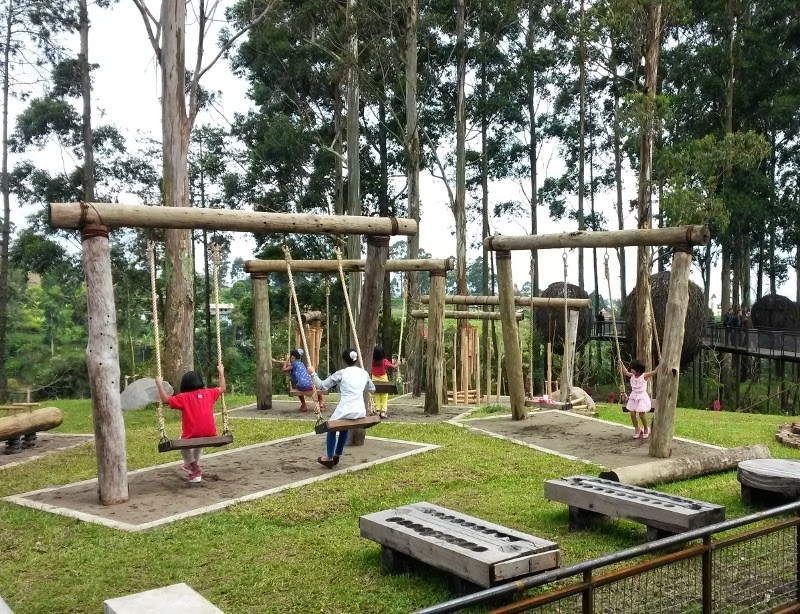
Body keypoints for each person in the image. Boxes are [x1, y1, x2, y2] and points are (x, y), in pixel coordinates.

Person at [156, 366, 225, 483]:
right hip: (210, 434)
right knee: (199, 442)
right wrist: (221, 373)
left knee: (182, 444)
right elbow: (223, 387)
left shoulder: (183, 397)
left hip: (192, 435)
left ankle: (194, 466)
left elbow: (165, 400)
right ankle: (192, 469)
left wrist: (159, 384)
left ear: (184, 385)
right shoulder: (209, 393)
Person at [308, 349, 375, 469]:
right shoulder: (363, 373)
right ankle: (337, 454)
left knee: (331, 428)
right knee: (344, 426)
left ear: (343, 360)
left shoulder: (341, 373)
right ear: (357, 360)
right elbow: (372, 389)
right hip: (360, 411)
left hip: (346, 409)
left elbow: (322, 386)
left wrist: (313, 373)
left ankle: (329, 457)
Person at [618, 359, 658, 439]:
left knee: (641, 415)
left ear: (638, 371)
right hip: (633, 396)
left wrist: (661, 364)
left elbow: (654, 372)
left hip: (641, 397)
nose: (631, 369)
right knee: (632, 414)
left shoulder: (644, 376)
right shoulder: (632, 375)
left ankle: (646, 428)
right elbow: (625, 372)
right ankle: (637, 428)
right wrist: (621, 364)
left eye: (633, 368)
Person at [371, 347, 400, 419]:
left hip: (375, 379)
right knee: (384, 395)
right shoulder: (384, 361)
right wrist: (398, 363)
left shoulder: (372, 361)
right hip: (383, 379)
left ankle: (378, 410)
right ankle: (383, 411)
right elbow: (393, 367)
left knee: (377, 395)